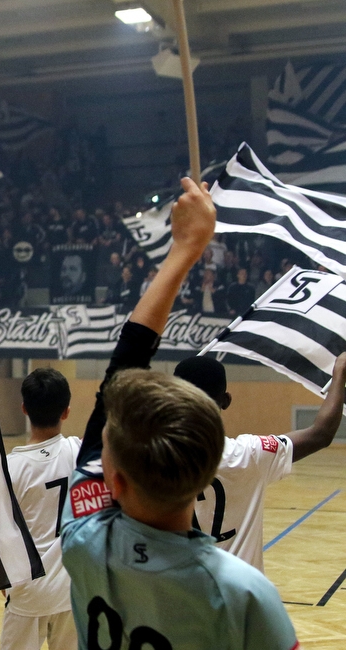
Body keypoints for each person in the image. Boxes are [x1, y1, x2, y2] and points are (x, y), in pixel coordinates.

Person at [60, 177, 299, 648]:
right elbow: (123, 370)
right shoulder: (245, 593)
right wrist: (190, 248)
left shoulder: (84, 541)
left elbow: (123, 363)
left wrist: (184, 249)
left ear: (117, 481)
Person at [174, 352, 346, 570]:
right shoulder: (251, 453)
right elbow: (321, 434)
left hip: (176, 593)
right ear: (225, 401)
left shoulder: (150, 457)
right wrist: (339, 371)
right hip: (239, 594)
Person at [1, 368, 79, 650]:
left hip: (27, 590)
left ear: (24, 409)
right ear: (66, 411)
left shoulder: (9, 469)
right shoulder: (79, 453)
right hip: (71, 589)